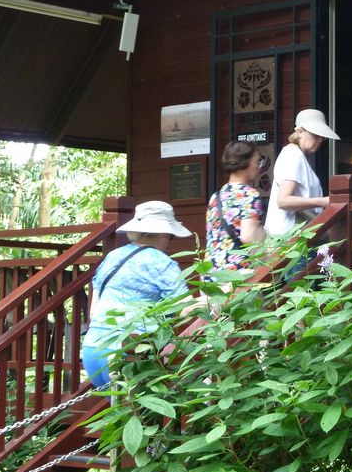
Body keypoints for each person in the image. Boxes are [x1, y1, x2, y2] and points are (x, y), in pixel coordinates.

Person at [82, 201, 191, 387]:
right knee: (145, 414)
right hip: (130, 353)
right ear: (164, 234)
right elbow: (186, 310)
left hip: (93, 348)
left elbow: (94, 312)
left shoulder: (112, 257)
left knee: (119, 412)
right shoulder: (162, 263)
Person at [264, 108, 340, 235]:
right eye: (316, 135)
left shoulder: (296, 155)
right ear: (300, 132)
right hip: (289, 239)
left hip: (291, 237)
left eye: (322, 137)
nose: (320, 140)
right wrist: (322, 201)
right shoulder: (294, 154)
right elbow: (283, 200)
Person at [206, 141, 266, 271]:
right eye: (257, 162)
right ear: (244, 163)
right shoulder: (249, 194)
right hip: (236, 273)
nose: (259, 167)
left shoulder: (215, 197)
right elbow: (249, 238)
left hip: (211, 273)